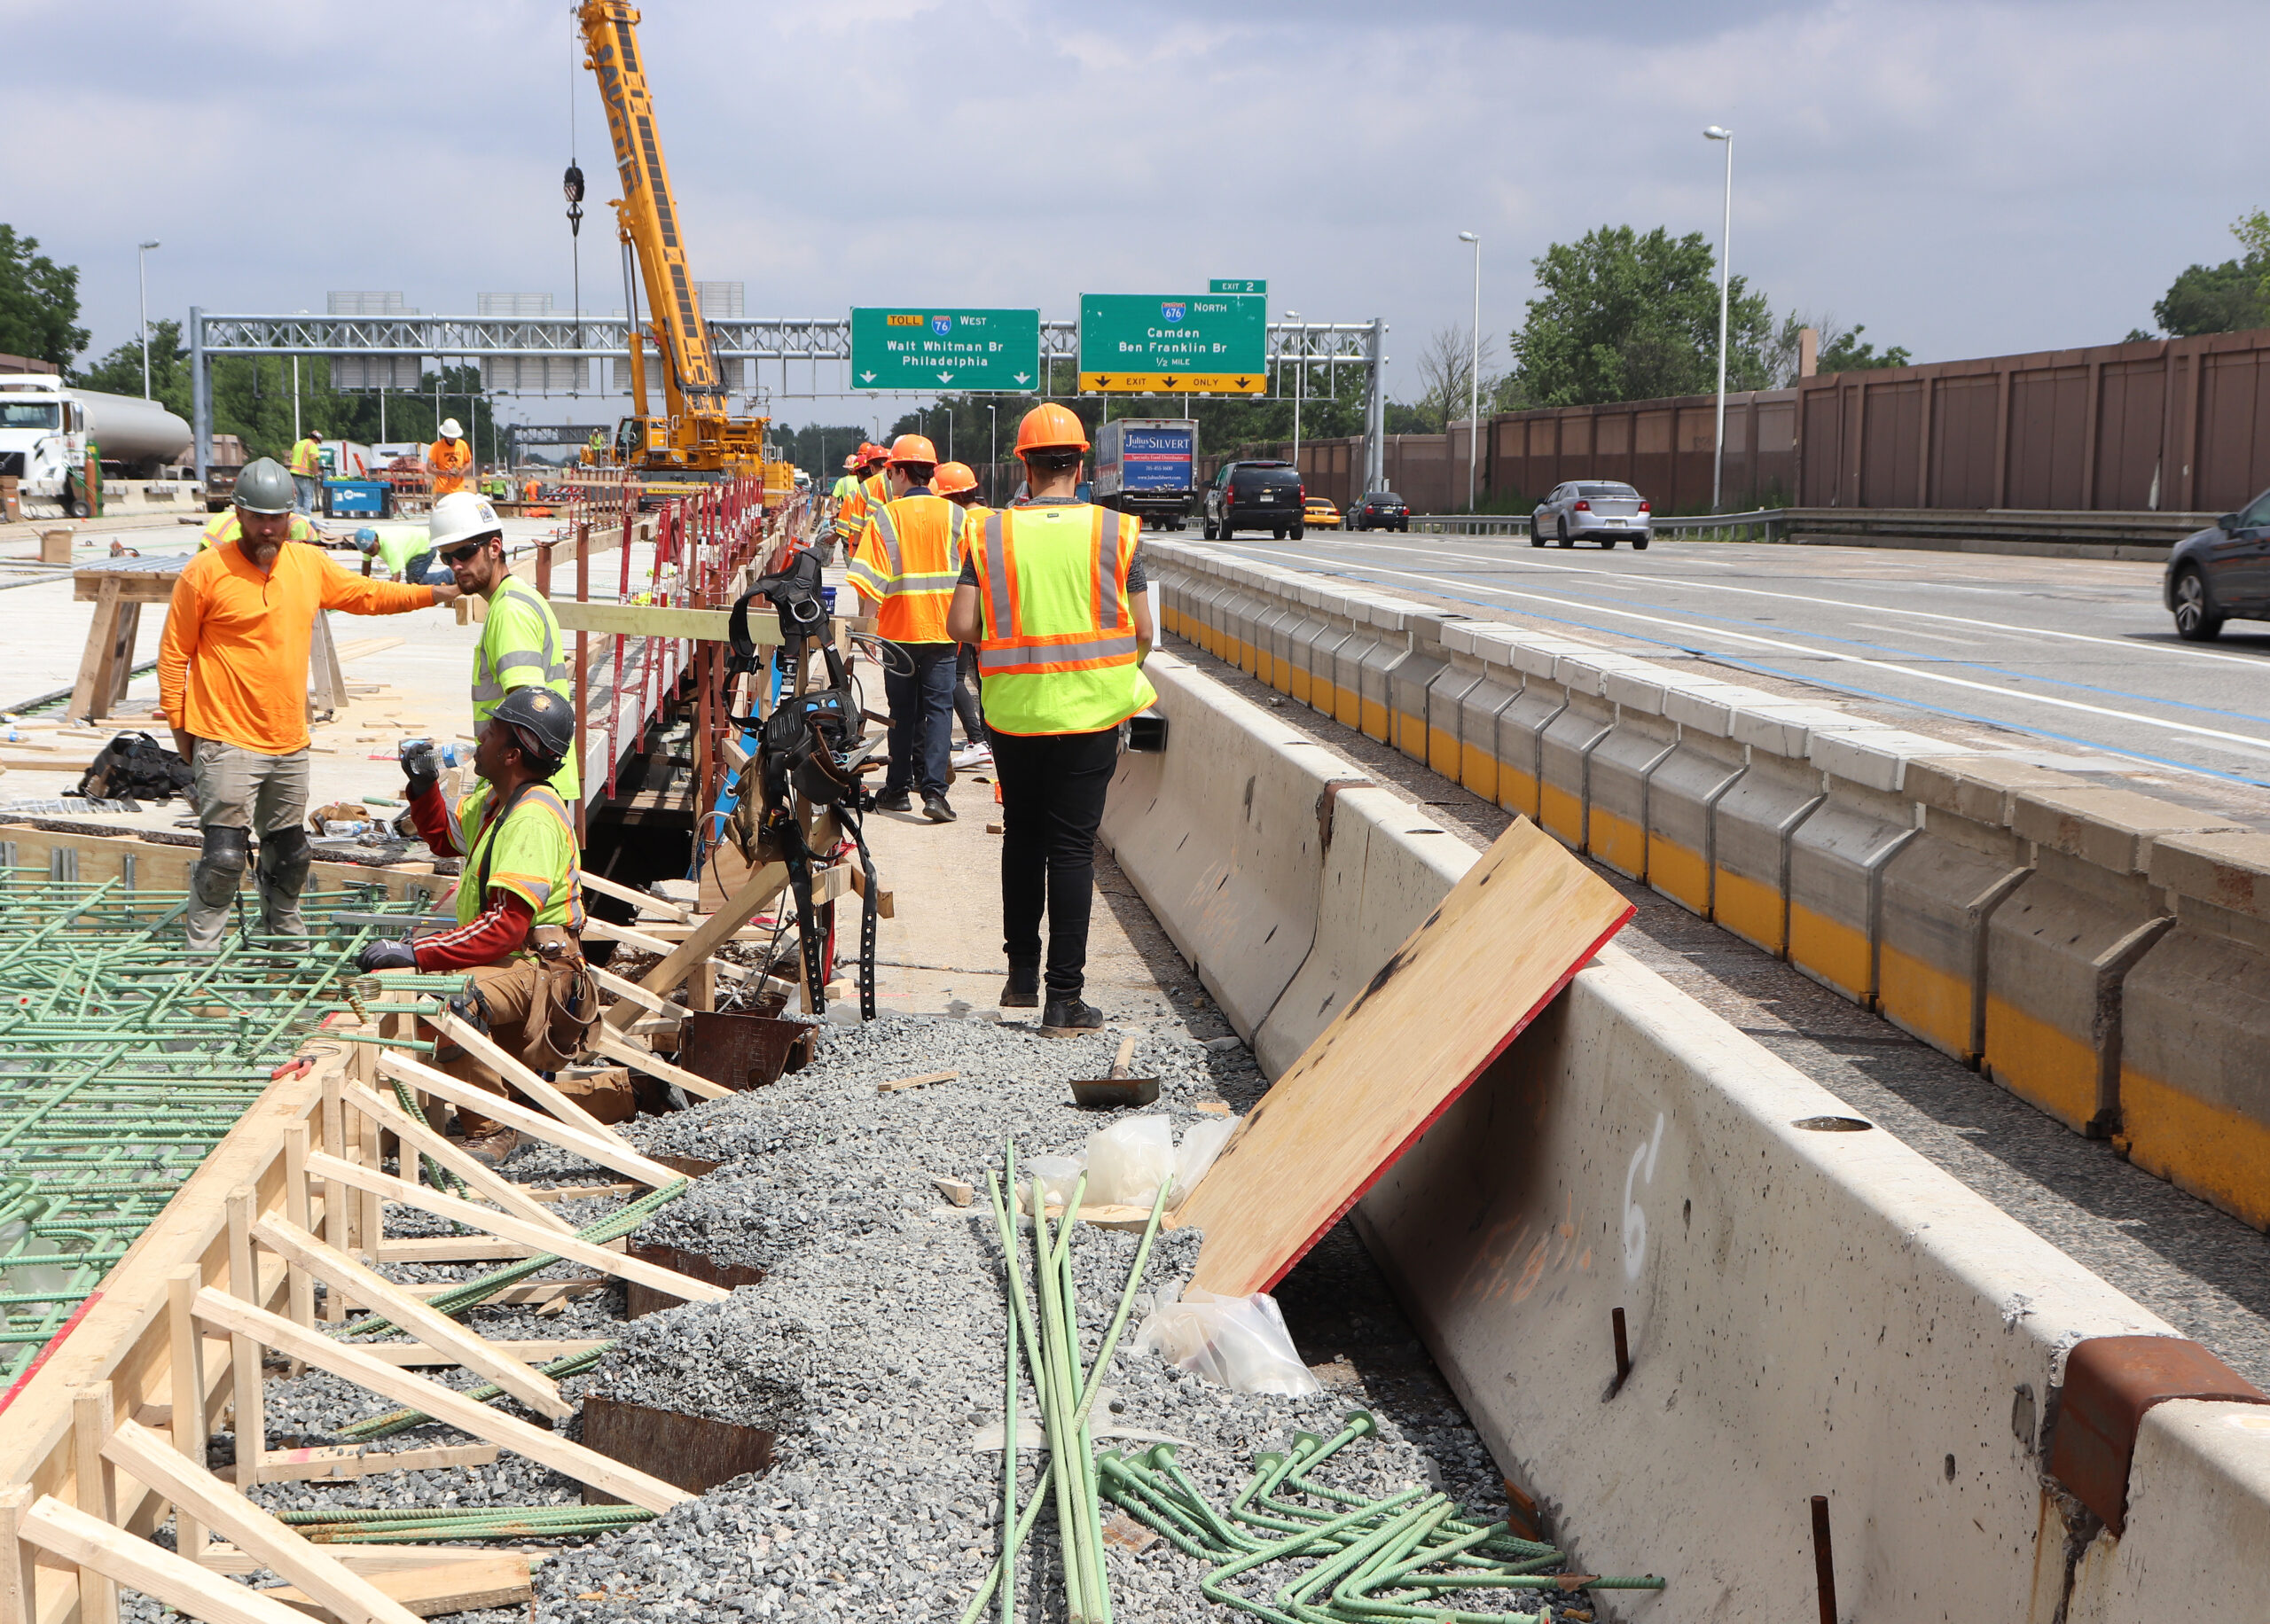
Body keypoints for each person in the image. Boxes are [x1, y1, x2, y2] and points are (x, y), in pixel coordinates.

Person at [158, 457, 461, 952]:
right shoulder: (205, 573)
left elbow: (368, 594)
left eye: (276, 518)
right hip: (224, 736)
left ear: (290, 518)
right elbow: (173, 657)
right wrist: (184, 739)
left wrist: (434, 593)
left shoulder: (308, 564)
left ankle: (284, 947)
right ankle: (201, 960)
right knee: (224, 858)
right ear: (237, 513)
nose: (268, 528)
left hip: (288, 742)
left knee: (292, 852)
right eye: (257, 517)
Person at [945, 403, 1155, 1035]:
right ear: (1082, 462)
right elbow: (1145, 630)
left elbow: (960, 625)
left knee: (1022, 837)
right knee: (1070, 849)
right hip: (1090, 714)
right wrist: (1110, 670)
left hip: (1012, 714)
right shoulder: (1116, 533)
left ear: (1023, 464)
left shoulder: (988, 534)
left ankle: (1019, 978)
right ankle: (1064, 1000)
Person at [356, 688, 596, 1163]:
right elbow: (446, 839)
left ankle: (489, 1130)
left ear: (512, 754)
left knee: (450, 995)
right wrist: (425, 788)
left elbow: (506, 927)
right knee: (439, 981)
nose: (478, 739)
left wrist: (418, 953)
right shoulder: (496, 802)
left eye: (491, 732)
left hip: (540, 968)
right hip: (516, 960)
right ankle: (493, 1092)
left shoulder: (530, 819)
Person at [428, 490, 581, 803]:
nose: (455, 566)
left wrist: (507, 790)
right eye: (447, 557)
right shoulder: (513, 599)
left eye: (465, 553)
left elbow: (528, 714)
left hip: (525, 786)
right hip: (528, 781)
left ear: (494, 548)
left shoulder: (509, 611)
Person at [849, 434, 963, 824]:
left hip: (898, 633)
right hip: (945, 632)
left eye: (890, 471)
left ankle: (897, 789)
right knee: (940, 710)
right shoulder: (956, 516)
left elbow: (870, 580)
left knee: (902, 712)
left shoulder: (886, 516)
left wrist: (866, 630)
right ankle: (934, 793)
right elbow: (972, 579)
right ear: (930, 473)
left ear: (899, 472)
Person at [932, 462, 991, 769]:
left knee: (954, 678)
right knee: (986, 678)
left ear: (951, 496)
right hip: (998, 612)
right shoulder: (993, 518)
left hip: (968, 610)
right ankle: (989, 740)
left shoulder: (961, 522)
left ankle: (977, 739)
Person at [831, 441, 888, 565]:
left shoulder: (863, 488)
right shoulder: (894, 483)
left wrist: (856, 545)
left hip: (868, 543)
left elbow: (856, 522)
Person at [356, 525, 440, 584]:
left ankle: (448, 576)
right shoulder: (366, 542)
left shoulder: (390, 546)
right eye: (366, 552)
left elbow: (397, 577)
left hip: (425, 543)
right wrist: (364, 584)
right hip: (412, 543)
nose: (370, 554)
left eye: (371, 551)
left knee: (415, 582)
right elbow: (366, 565)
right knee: (411, 581)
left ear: (376, 540)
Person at [426, 418, 473, 497]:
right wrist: (443, 473)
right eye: (449, 436)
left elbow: (469, 462)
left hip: (459, 490)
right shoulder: (436, 447)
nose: (451, 439)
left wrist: (460, 473)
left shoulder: (463, 445)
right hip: (442, 490)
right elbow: (429, 468)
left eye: (453, 437)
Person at [288, 429, 325, 514]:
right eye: (318, 442)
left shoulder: (297, 444)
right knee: (308, 497)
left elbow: (291, 458)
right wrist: (316, 475)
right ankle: (306, 517)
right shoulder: (312, 445)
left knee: (297, 497)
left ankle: (296, 517)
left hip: (294, 474)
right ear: (316, 439)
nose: (317, 444)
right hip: (306, 476)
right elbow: (314, 461)